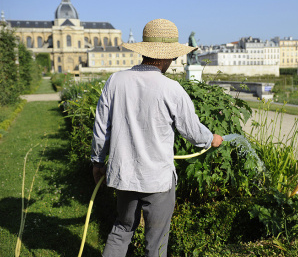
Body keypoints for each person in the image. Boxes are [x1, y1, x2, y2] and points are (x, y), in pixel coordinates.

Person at [91, 18, 223, 257]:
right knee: (157, 241)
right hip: (158, 180)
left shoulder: (115, 81)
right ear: (165, 58)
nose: (173, 62)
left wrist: (98, 162)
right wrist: (210, 139)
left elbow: (101, 130)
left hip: (124, 175)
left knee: (121, 230)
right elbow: (192, 131)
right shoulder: (171, 89)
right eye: (173, 57)